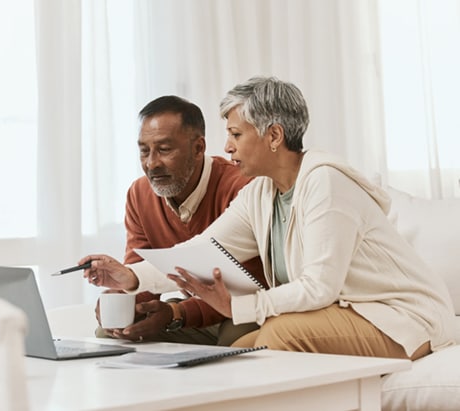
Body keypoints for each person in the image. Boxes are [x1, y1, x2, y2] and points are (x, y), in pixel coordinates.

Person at [81, 76, 456, 359]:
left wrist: (240, 308)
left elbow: (318, 288)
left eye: (235, 133)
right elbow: (205, 249)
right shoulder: (261, 192)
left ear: (274, 135)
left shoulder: (326, 183)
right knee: (229, 360)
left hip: (401, 318)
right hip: (346, 314)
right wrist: (130, 276)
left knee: (276, 336)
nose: (226, 147)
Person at [95, 95, 264, 345]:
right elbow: (139, 265)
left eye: (164, 150)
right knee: (113, 333)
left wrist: (177, 314)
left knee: (233, 337)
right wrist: (124, 300)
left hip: (243, 307)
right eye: (144, 151)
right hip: (190, 309)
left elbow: (252, 284)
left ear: (198, 148)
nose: (152, 164)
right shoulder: (139, 194)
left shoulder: (242, 187)